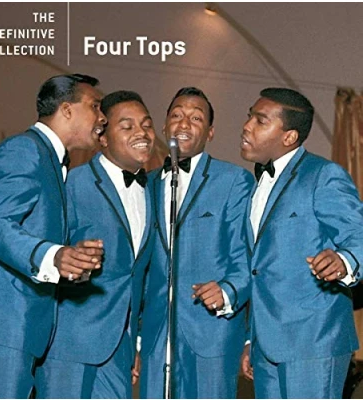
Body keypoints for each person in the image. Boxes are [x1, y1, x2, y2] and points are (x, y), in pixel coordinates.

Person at [0, 73, 106, 398]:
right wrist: (53, 256)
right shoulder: (23, 150)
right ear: (66, 109)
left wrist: (72, 262)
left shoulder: (50, 161)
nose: (102, 118)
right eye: (95, 106)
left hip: (21, 333)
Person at [240, 87, 363, 398]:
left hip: (313, 339)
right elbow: (258, 270)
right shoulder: (257, 186)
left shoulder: (323, 175)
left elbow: (358, 232)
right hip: (266, 344)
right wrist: (251, 338)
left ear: (289, 137)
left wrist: (343, 261)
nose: (247, 126)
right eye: (249, 117)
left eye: (260, 120)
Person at [35, 90, 156, 399]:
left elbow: (140, 275)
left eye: (147, 125)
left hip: (120, 349)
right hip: (68, 345)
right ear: (102, 137)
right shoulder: (72, 183)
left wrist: (135, 340)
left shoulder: (153, 193)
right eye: (127, 126)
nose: (141, 133)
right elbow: (43, 256)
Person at [139, 87, 254, 398]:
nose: (184, 123)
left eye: (196, 118)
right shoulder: (145, 184)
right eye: (177, 115)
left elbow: (248, 258)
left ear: (210, 132)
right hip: (154, 335)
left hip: (212, 332)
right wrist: (135, 333)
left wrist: (227, 290)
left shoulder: (234, 181)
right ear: (165, 126)